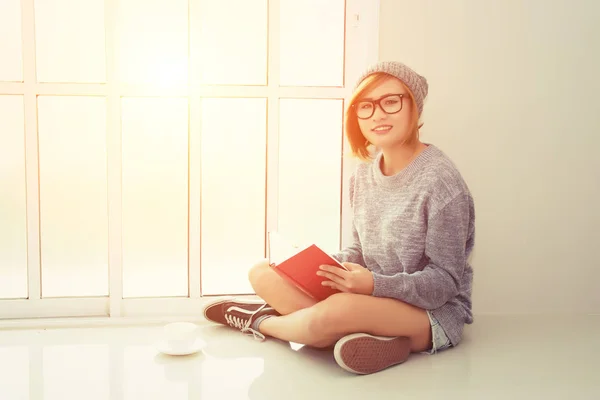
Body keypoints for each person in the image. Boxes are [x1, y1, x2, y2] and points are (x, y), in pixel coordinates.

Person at [203, 61, 475, 375]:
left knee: (335, 311)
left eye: (390, 101)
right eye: (366, 106)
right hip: (367, 295)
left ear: (414, 107)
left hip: (430, 313)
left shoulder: (441, 182)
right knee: (262, 272)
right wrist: (326, 266)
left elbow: (444, 284)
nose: (378, 114)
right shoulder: (363, 174)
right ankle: (376, 340)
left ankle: (262, 321)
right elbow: (361, 250)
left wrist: (373, 284)